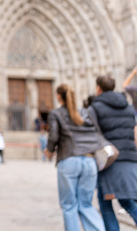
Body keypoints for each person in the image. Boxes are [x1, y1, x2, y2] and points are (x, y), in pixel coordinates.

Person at [44, 84, 105, 231]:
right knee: (86, 204)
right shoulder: (85, 112)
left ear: (59, 96)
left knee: (69, 205)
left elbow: (53, 136)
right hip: (90, 161)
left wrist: (49, 151)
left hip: (69, 159)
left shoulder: (56, 113)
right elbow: (97, 133)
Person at [89, 75, 137, 231]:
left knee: (106, 203)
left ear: (98, 88)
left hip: (109, 161)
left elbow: (94, 135)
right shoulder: (129, 107)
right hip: (130, 160)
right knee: (127, 200)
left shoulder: (94, 107)